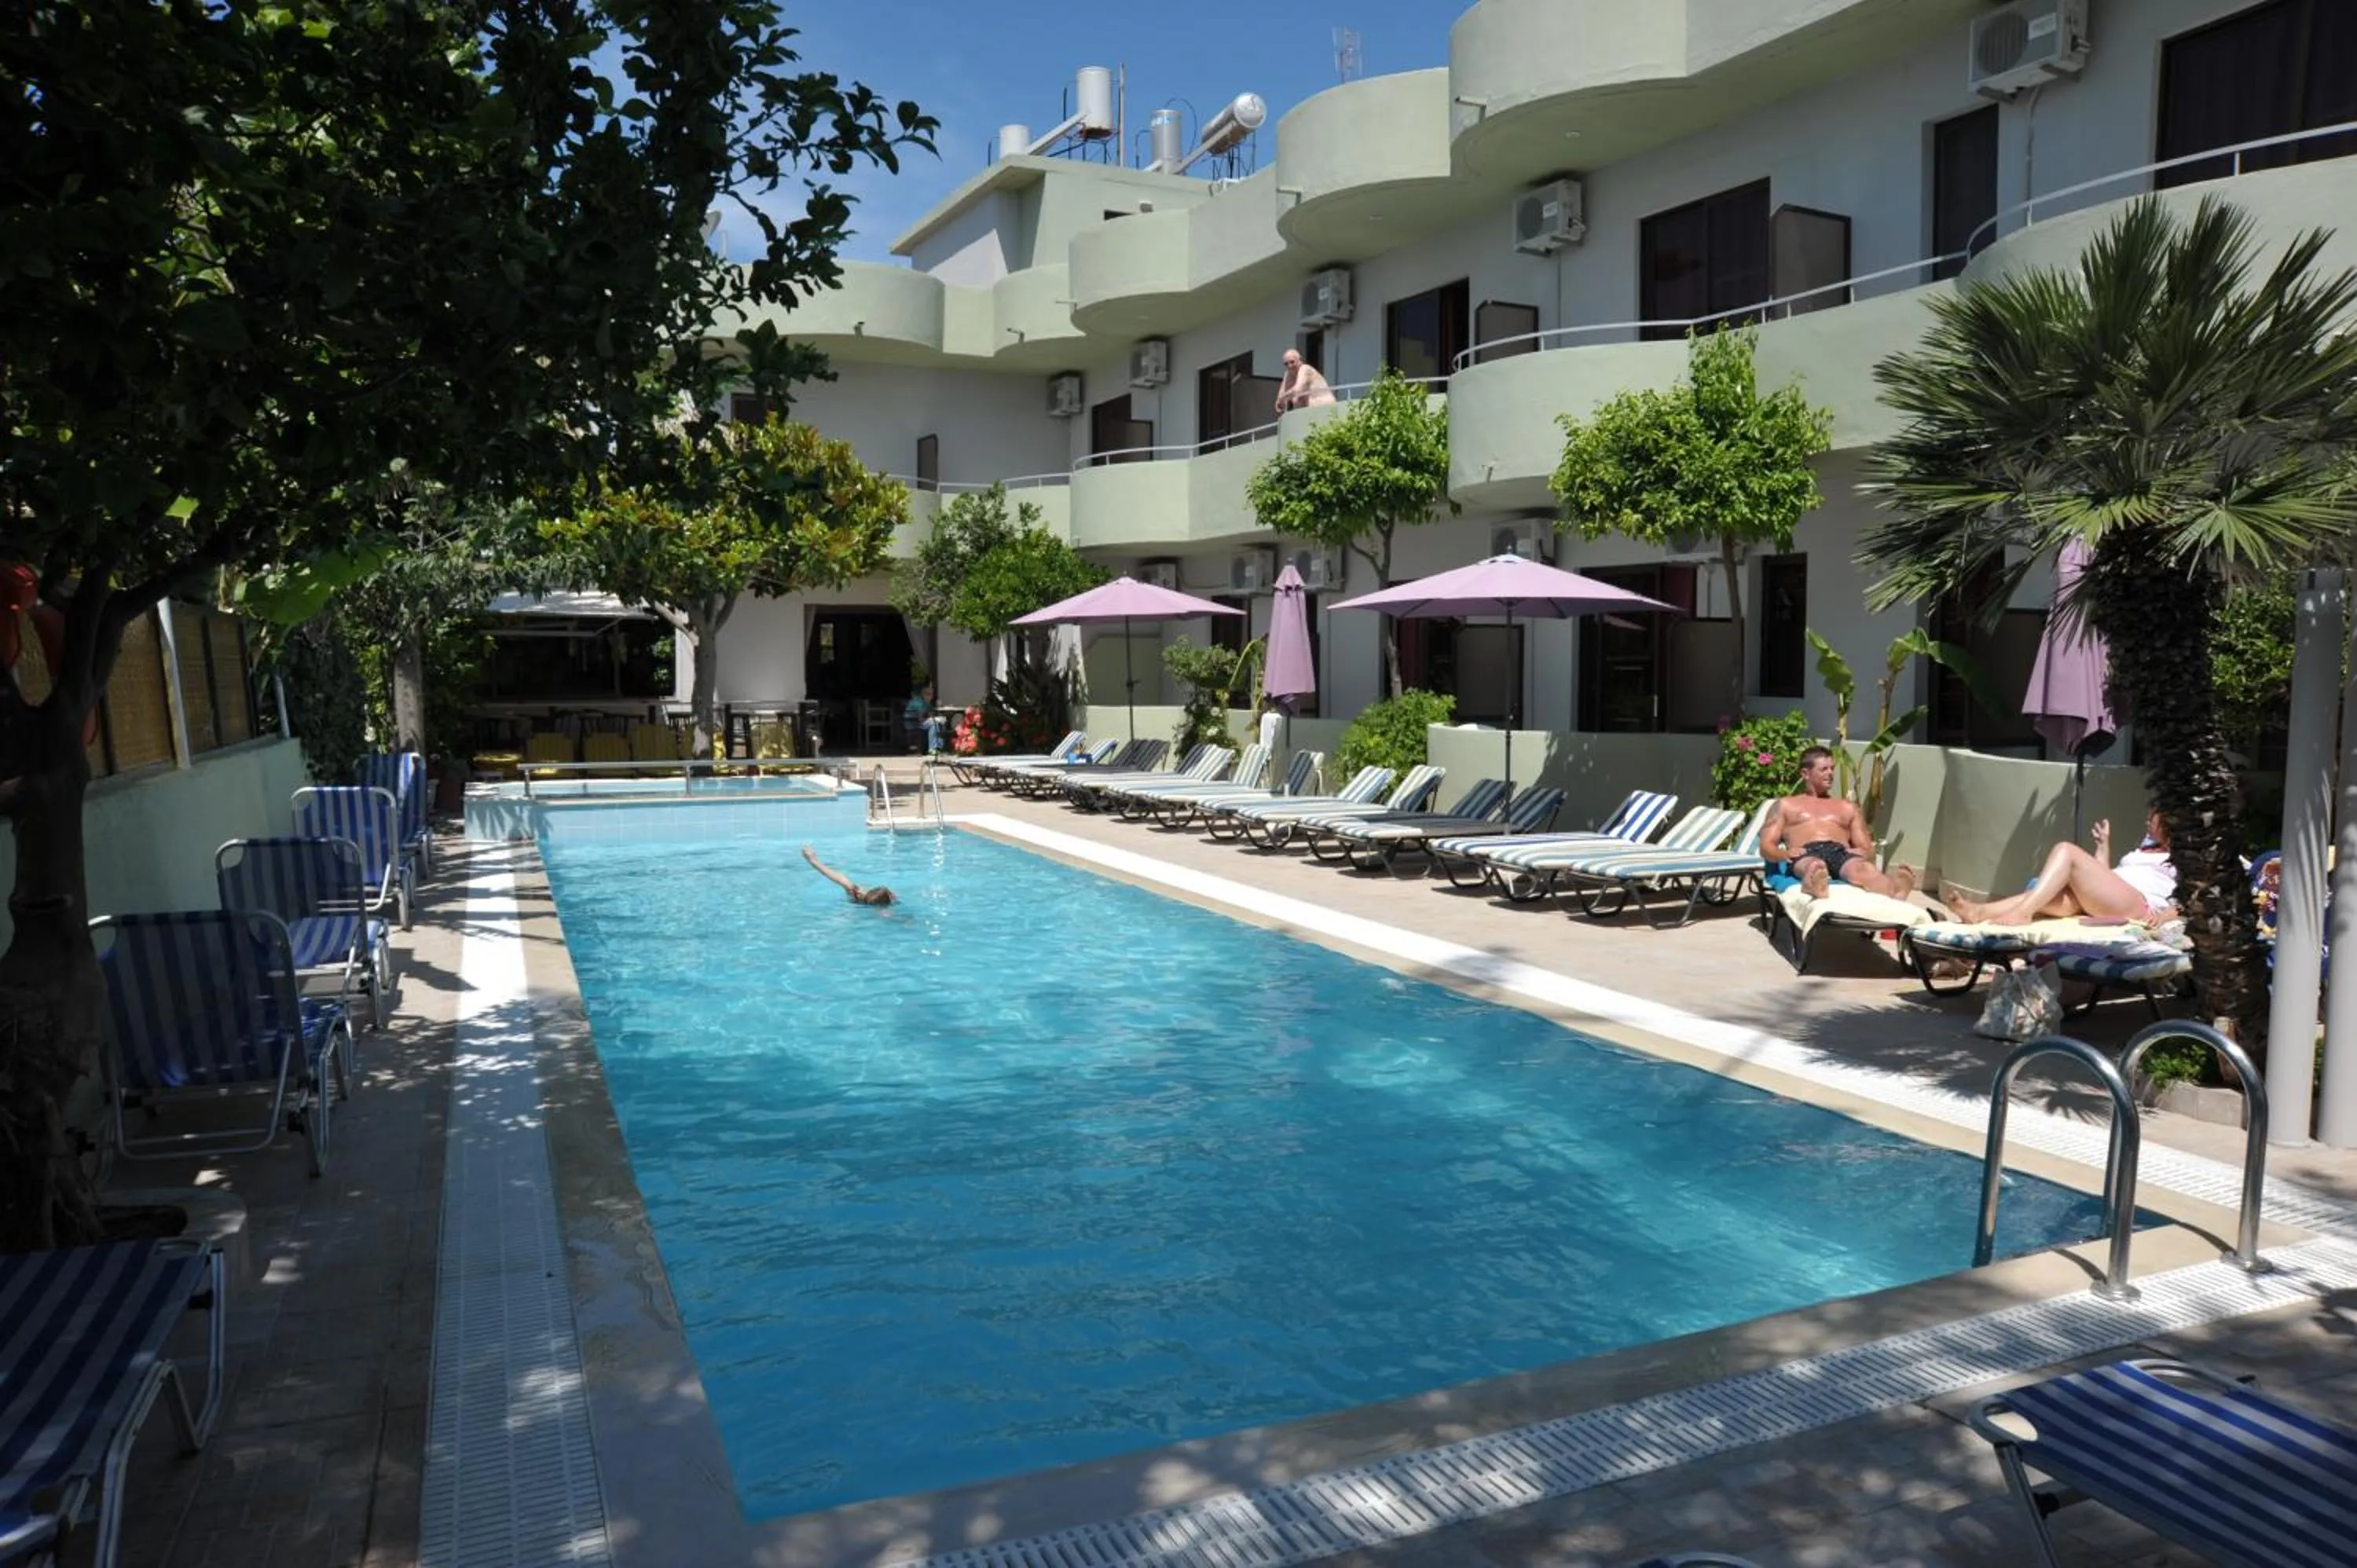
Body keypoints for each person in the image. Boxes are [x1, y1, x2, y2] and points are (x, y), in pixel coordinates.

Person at [1948, 810, 2176, 925]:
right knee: (2042, 895)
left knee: (2066, 850)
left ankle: (2023, 913)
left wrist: (2166, 917)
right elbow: (2104, 879)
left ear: (2167, 826)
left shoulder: (2184, 857)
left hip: (2140, 906)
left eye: (2152, 820)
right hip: (2114, 900)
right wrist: (2103, 845)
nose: (2147, 822)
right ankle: (1977, 913)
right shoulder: (2145, 850)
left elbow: (2197, 900)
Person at [1760, 745, 1918, 900]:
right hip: (1805, 853)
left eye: (1832, 769)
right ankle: (1815, 884)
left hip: (1840, 852)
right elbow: (1766, 846)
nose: (1830, 774)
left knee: (1862, 869)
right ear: (1805, 773)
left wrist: (1863, 852)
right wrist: (1784, 854)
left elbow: (1868, 850)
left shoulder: (1847, 807)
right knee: (1814, 865)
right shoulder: (1785, 805)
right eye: (1824, 769)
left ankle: (1894, 890)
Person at [802, 844, 895, 907]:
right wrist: (813, 860)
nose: (860, 893)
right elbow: (838, 878)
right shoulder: (855, 891)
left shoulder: (856, 893)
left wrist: (813, 860)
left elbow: (839, 878)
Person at [1274, 349, 1335, 413]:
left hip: (1325, 409)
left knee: (1296, 397)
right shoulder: (1288, 374)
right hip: (1308, 414)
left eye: (1292, 362)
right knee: (1296, 400)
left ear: (1300, 360)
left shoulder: (1305, 368)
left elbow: (1297, 390)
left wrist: (1283, 398)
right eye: (1286, 364)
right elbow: (1280, 399)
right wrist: (1281, 400)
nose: (1290, 366)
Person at [904, 683, 944, 754]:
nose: (930, 697)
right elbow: (920, 719)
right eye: (927, 694)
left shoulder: (925, 702)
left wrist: (933, 717)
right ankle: (933, 748)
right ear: (923, 694)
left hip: (917, 722)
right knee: (934, 724)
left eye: (931, 694)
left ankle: (938, 748)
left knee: (940, 723)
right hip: (913, 723)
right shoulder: (918, 702)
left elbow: (929, 714)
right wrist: (932, 719)